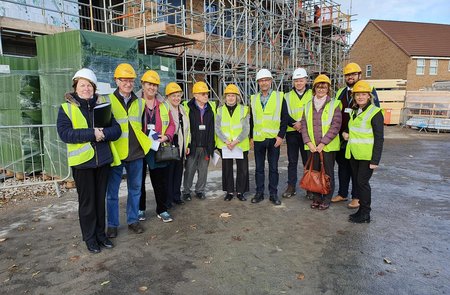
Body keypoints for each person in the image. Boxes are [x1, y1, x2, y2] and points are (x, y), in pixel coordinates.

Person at [57, 68, 121, 253]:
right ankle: (90, 238)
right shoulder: (66, 108)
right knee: (87, 204)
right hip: (83, 164)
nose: (86, 89)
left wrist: (103, 133)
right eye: (82, 85)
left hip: (102, 161)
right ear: (75, 87)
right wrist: (93, 134)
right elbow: (65, 133)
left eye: (89, 85)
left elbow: (115, 130)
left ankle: (101, 236)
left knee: (100, 200)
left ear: (94, 88)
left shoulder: (103, 105)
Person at [105, 63, 151, 238]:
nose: (128, 83)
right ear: (117, 81)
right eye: (124, 80)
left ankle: (133, 220)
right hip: (115, 153)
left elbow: (143, 126)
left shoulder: (140, 102)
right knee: (112, 192)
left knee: (135, 189)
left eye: (131, 80)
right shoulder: (107, 100)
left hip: (136, 152)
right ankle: (112, 224)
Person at [332, 62, 380, 209]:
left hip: (359, 139)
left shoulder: (368, 90)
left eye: (353, 74)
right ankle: (342, 193)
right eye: (348, 75)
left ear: (359, 75)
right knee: (343, 167)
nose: (350, 77)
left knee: (357, 171)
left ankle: (357, 197)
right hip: (343, 138)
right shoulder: (341, 92)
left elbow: (373, 114)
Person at [343, 80, 384, 223]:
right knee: (358, 182)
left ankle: (366, 213)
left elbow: (379, 138)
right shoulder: (356, 111)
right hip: (354, 154)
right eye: (357, 95)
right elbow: (354, 128)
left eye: (363, 94)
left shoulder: (375, 112)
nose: (360, 97)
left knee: (362, 183)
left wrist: (375, 160)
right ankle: (361, 210)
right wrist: (345, 133)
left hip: (367, 156)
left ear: (369, 96)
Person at [300, 74, 341, 210]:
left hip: (327, 147)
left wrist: (322, 143)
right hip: (312, 148)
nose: (321, 90)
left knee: (327, 174)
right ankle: (317, 198)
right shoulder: (307, 105)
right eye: (319, 87)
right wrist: (309, 143)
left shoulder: (334, 104)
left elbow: (336, 126)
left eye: (324, 87)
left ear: (328, 89)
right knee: (315, 173)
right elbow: (304, 126)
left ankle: (327, 198)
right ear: (314, 88)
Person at [139, 70, 176, 223]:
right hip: (139, 148)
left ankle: (162, 209)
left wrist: (166, 136)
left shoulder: (163, 106)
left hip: (157, 147)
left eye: (155, 85)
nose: (152, 87)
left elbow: (172, 125)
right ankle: (140, 209)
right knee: (138, 182)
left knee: (160, 181)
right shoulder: (135, 103)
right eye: (149, 84)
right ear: (142, 85)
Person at [249, 69, 288, 206]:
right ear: (258, 83)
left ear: (271, 81)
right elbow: (252, 119)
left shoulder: (279, 97)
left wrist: (281, 136)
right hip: (259, 139)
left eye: (266, 80)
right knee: (259, 168)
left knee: (273, 168)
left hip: (273, 139)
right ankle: (259, 193)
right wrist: (251, 137)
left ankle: (273, 194)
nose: (264, 83)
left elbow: (285, 118)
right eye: (261, 80)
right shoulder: (253, 99)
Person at [182, 81, 216, 201]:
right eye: (203, 94)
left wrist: (213, 145)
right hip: (193, 145)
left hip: (206, 145)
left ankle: (200, 190)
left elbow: (213, 127)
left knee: (203, 170)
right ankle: (186, 191)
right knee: (189, 169)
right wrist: (187, 144)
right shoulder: (187, 107)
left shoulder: (211, 108)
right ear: (195, 95)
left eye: (207, 93)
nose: (206, 96)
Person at [282, 68, 313, 199]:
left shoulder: (313, 94)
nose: (299, 83)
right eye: (296, 81)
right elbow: (284, 114)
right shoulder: (286, 96)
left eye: (301, 80)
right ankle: (291, 186)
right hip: (292, 132)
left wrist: (302, 125)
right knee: (292, 161)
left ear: (306, 80)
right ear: (293, 82)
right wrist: (295, 124)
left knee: (308, 161)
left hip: (307, 133)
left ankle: (309, 188)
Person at [215, 84, 250, 201]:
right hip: (225, 145)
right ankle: (229, 192)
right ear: (225, 97)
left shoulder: (244, 109)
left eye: (233, 96)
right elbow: (217, 128)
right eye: (228, 96)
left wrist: (236, 141)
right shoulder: (219, 111)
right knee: (227, 168)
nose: (230, 98)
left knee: (242, 168)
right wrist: (226, 141)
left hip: (239, 144)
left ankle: (241, 192)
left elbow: (246, 128)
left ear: (237, 97)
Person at [165, 82, 190, 207]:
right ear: (168, 96)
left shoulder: (182, 109)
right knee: (169, 173)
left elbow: (187, 129)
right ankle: (168, 199)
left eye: (178, 96)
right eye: (173, 96)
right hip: (169, 143)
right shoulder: (164, 108)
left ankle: (176, 196)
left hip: (180, 143)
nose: (176, 98)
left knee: (178, 171)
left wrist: (187, 145)